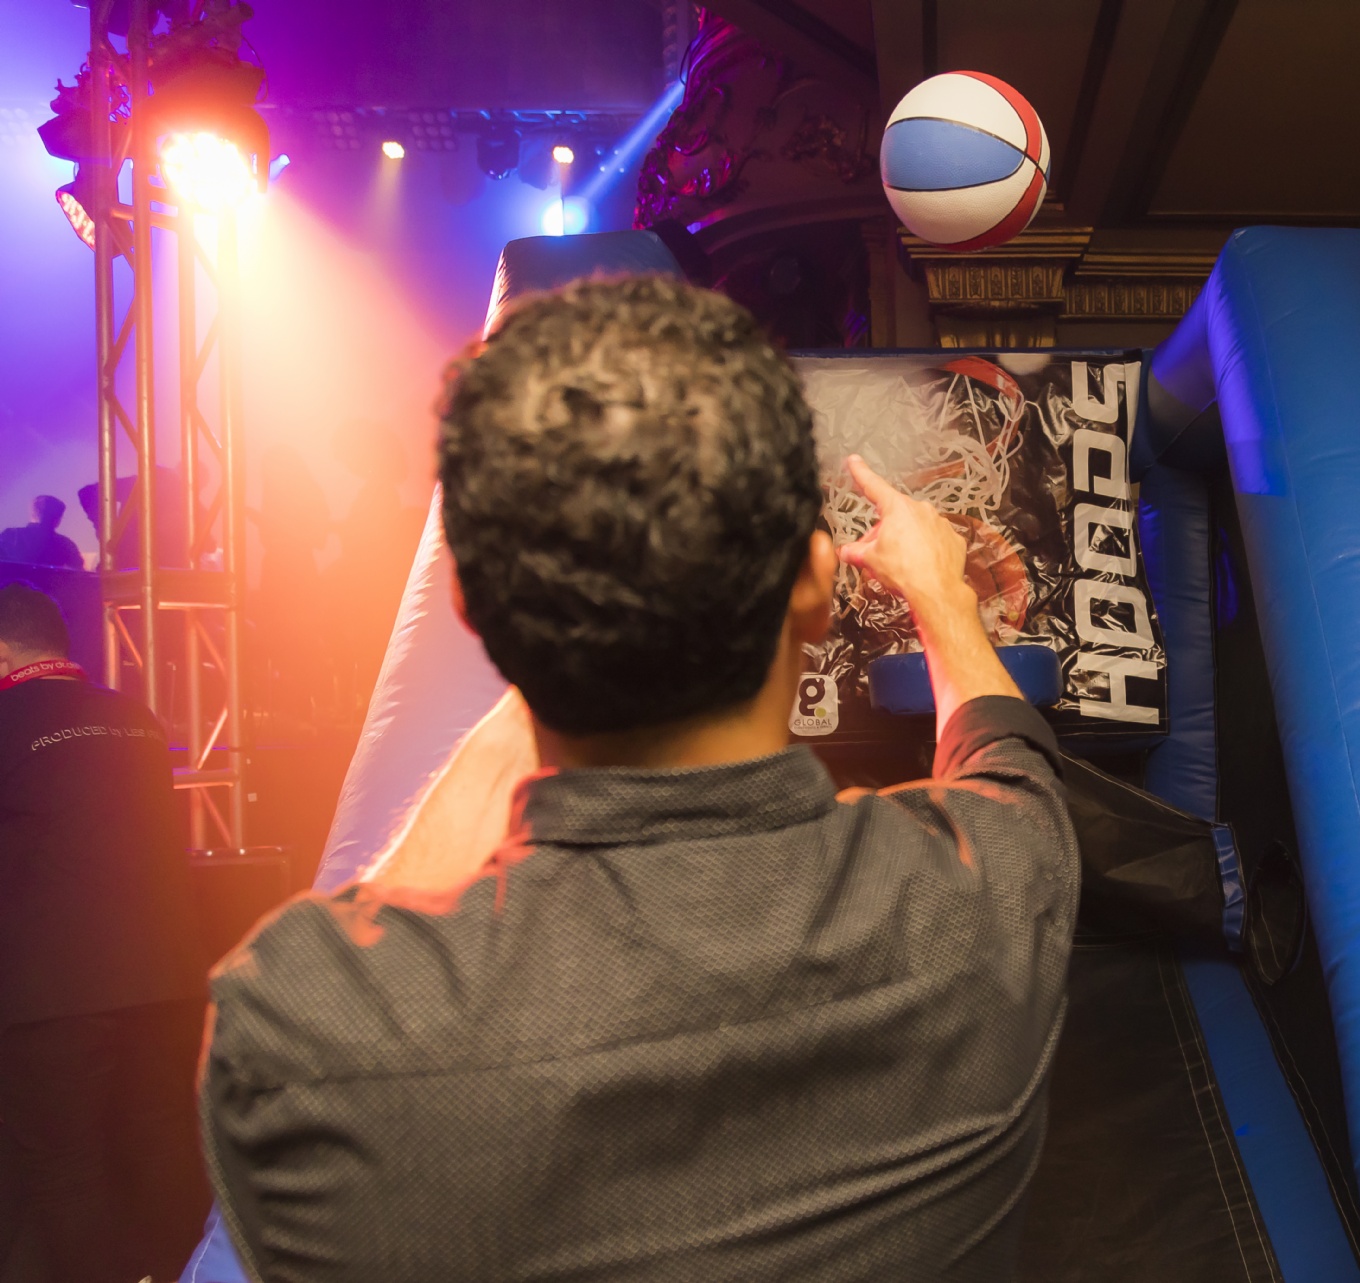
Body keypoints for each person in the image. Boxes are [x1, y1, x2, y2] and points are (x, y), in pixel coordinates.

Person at [201, 276, 1079, 1281]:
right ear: (813, 580)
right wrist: (943, 599)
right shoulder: (997, 890)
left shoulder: (294, 1031)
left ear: (472, 610)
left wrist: (558, 610)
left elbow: (374, 939)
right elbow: (1003, 753)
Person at [0, 582, 209, 1283]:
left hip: (51, 995)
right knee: (163, 1151)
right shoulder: (134, 717)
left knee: (66, 1171)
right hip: (164, 981)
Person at [0, 497, 83, 570]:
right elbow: (79, 574)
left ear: (32, 513)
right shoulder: (66, 544)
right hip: (49, 584)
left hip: (11, 583)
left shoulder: (10, 535)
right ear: (57, 520)